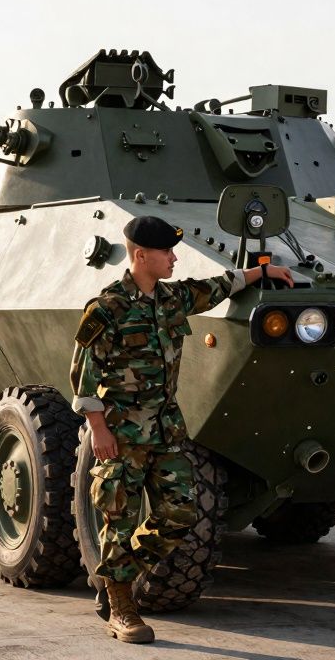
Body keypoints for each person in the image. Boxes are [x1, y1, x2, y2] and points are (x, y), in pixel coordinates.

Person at [69, 215, 294, 644]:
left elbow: (218, 285)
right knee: (117, 518)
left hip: (166, 432)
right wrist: (98, 430)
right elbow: (82, 375)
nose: (173, 259)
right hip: (122, 435)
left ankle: (118, 577)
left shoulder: (172, 299)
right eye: (166, 252)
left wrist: (261, 271)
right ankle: (122, 609)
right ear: (141, 255)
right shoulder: (107, 308)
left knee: (181, 513)